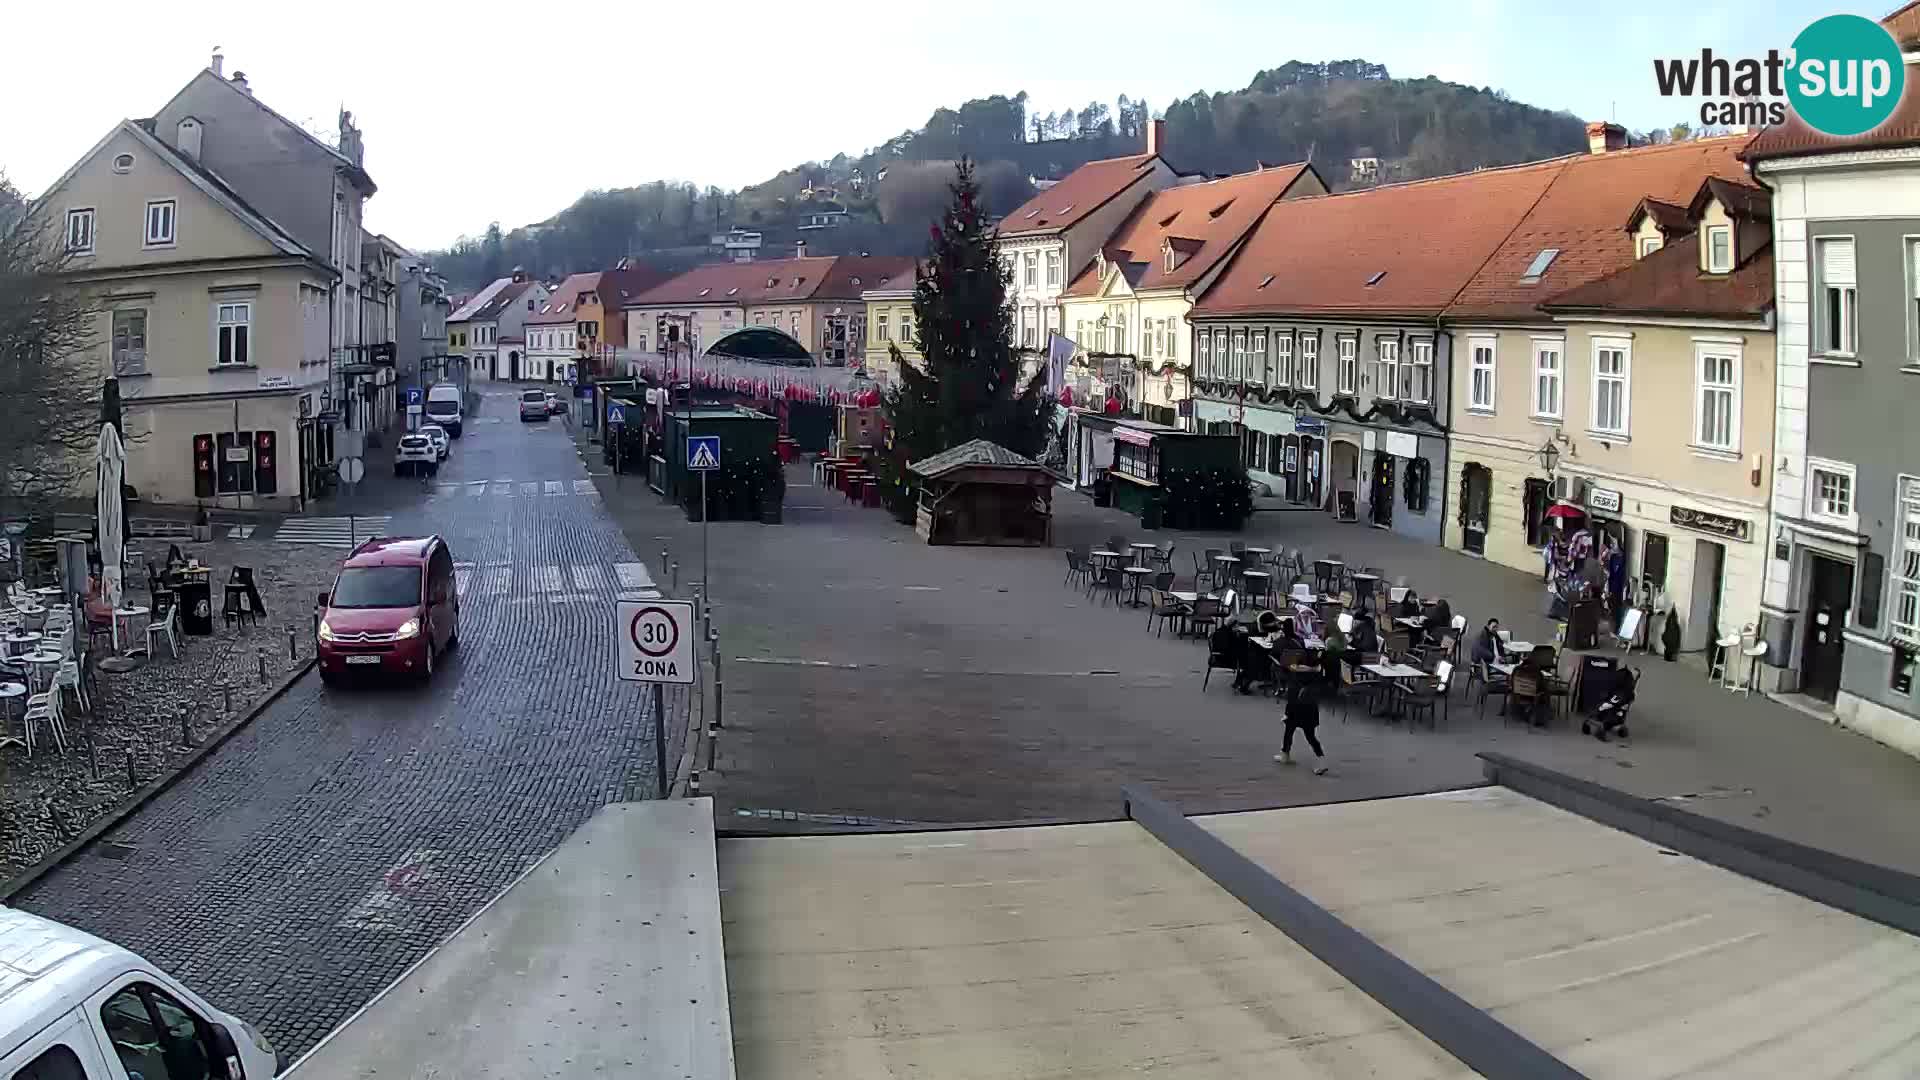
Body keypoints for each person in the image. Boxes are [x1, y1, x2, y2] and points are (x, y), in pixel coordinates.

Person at [1275, 680, 1329, 774]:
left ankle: (1285, 754)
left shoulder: (1294, 679)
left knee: (1289, 730)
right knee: (1310, 736)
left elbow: (1291, 700)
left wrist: (1287, 714)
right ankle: (1322, 760)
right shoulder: (1314, 674)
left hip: (1297, 709)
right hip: (1310, 708)